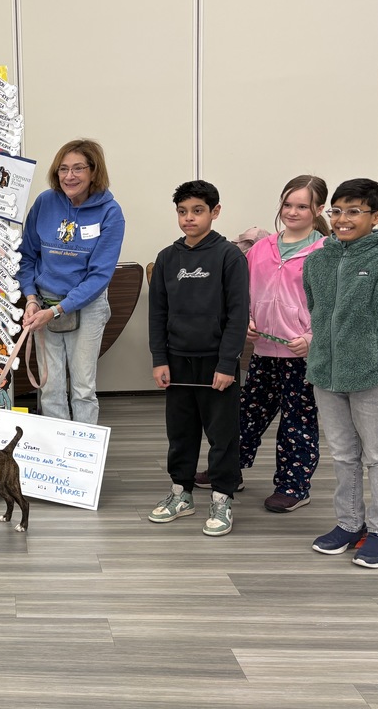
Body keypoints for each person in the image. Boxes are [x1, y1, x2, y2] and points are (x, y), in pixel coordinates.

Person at [193, 176, 328, 512]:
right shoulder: (260, 250)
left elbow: (332, 305)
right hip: (264, 353)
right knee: (244, 415)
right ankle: (229, 472)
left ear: (318, 209)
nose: (292, 212)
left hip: (303, 358)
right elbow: (241, 295)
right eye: (287, 204)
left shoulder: (325, 253)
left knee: (297, 423)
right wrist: (246, 323)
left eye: (302, 205)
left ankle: (294, 487)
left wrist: (312, 338)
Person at [147, 180, 249, 537]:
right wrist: (160, 359)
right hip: (176, 362)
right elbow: (157, 312)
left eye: (197, 210)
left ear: (214, 212)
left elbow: (238, 314)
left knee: (222, 434)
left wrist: (226, 364)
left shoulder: (229, 256)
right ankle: (181, 493)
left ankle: (222, 497)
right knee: (180, 432)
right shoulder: (167, 258)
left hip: (215, 363)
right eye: (182, 211)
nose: (189, 218)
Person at [303, 178, 378, 568]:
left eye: (354, 211)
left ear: (377, 216)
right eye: (336, 211)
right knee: (342, 454)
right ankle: (349, 523)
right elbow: (315, 310)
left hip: (374, 372)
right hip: (326, 371)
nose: (342, 219)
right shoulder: (317, 259)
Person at [19, 139, 124, 424]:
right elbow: (27, 256)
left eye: (78, 168)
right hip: (42, 302)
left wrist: (56, 310)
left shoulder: (110, 212)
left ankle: (82, 459)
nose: (69, 176)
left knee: (83, 389)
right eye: (63, 169)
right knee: (50, 388)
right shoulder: (45, 203)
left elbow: (100, 276)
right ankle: (56, 462)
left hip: (86, 307)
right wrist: (30, 298)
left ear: (94, 171)